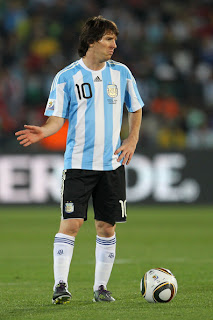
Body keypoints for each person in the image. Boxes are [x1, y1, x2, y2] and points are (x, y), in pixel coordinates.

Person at [15, 16, 144, 304]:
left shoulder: (121, 73)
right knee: (71, 223)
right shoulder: (66, 77)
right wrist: (43, 131)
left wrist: (132, 138)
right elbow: (56, 119)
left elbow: (135, 108)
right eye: (109, 39)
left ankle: (101, 288)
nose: (114, 44)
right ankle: (60, 285)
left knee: (107, 227)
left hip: (111, 165)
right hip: (78, 165)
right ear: (91, 42)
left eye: (114, 39)